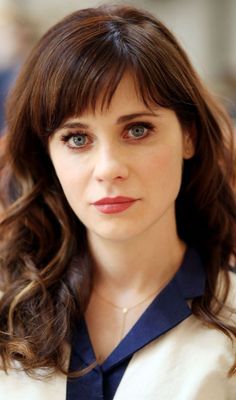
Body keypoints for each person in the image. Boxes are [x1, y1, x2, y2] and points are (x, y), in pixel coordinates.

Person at [0, 4, 235, 400]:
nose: (108, 168)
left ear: (189, 136)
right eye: (77, 138)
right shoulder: (8, 307)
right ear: (47, 154)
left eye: (137, 130)